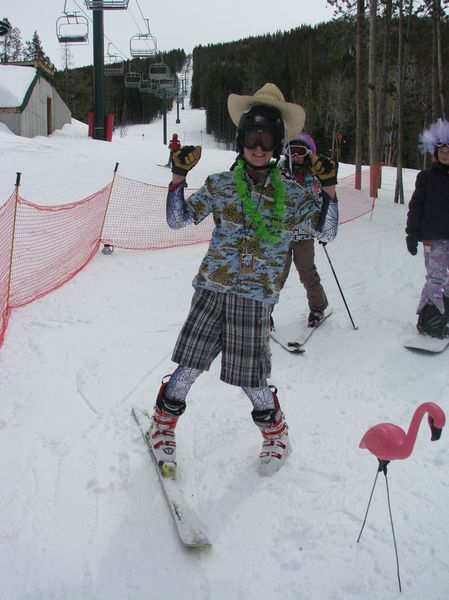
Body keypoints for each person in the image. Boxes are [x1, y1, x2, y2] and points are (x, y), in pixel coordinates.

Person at [148, 83, 338, 479]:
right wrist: (178, 178)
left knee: (251, 378)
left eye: (266, 138)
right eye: (251, 137)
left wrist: (330, 193)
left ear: (277, 143)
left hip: (255, 299)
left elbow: (326, 233)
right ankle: (163, 425)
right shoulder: (220, 185)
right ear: (241, 140)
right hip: (212, 290)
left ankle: (275, 432)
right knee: (190, 365)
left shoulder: (295, 195)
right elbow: (177, 220)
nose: (258, 146)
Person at [274, 132, 338, 329]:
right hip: (280, 235)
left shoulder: (314, 177)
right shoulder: (278, 173)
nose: (295, 156)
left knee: (307, 272)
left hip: (305, 235)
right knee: (276, 275)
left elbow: (321, 203)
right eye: (291, 152)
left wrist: (321, 227)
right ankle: (263, 310)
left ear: (308, 153)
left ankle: (318, 307)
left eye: (300, 152)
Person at [406, 119, 449, 339]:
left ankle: (446, 313)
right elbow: (416, 207)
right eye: (442, 150)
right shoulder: (427, 178)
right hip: (434, 238)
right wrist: (411, 234)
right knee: (436, 278)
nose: (446, 154)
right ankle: (430, 321)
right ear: (435, 153)